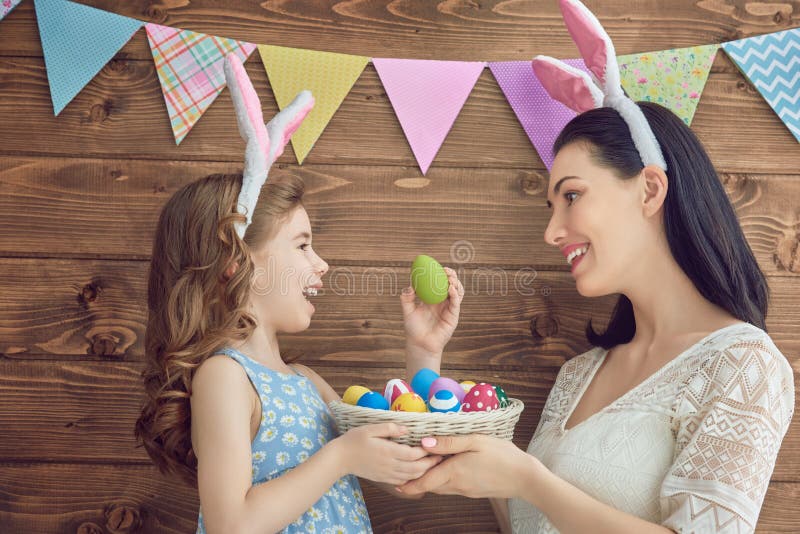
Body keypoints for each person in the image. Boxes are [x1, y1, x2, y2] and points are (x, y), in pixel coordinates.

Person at [396, 1, 795, 533]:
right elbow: (528, 520)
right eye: (552, 206)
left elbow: (531, 488)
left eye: (573, 196)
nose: (552, 231)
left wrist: (527, 479)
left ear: (650, 188)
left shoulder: (742, 366)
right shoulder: (579, 375)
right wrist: (426, 356)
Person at [134, 54, 464, 533]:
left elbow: (407, 465)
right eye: (303, 245)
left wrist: (424, 349)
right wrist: (341, 457)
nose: (321, 263)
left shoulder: (306, 382)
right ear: (236, 264)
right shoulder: (224, 378)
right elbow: (231, 525)